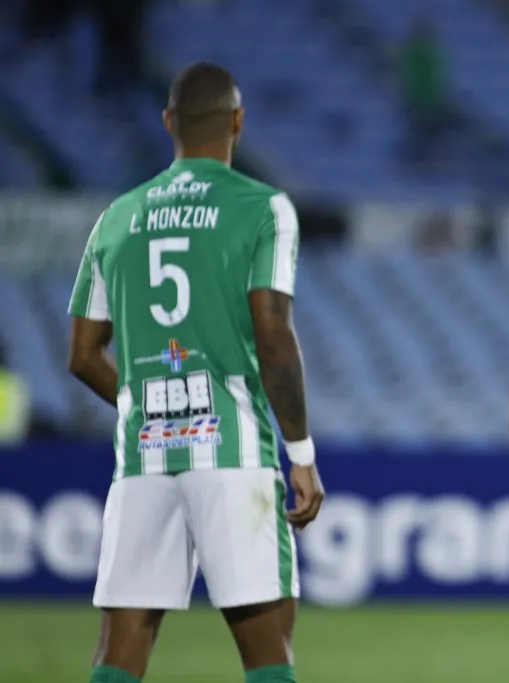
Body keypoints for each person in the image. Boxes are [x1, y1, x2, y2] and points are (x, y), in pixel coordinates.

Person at [67, 61, 325, 683]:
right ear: (238, 121)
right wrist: (301, 452)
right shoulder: (264, 208)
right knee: (267, 655)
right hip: (231, 453)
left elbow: (81, 355)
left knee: (119, 653)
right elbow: (273, 333)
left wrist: (146, 409)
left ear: (168, 124)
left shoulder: (117, 217)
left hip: (142, 457)